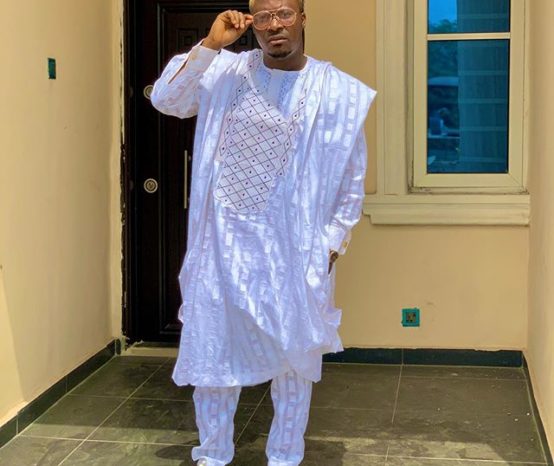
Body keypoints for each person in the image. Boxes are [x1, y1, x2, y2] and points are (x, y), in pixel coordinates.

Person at [150, 0, 376, 464]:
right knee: (214, 355)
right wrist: (211, 44)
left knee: (294, 361)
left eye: (285, 14)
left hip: (293, 250)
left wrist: (334, 242)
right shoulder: (224, 71)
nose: (276, 25)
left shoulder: (335, 91)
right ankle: (213, 453)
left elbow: (352, 173)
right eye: (265, 17)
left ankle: (285, 456)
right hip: (222, 245)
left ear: (303, 19)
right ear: (252, 22)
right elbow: (168, 100)